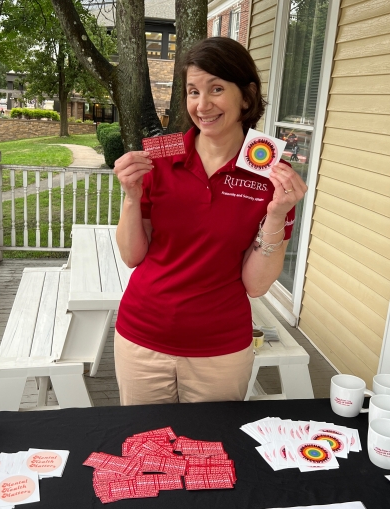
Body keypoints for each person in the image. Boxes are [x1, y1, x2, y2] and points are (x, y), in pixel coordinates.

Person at [113, 36, 307, 406]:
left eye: (216, 89)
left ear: (246, 96)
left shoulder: (270, 174)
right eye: (193, 91)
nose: (202, 105)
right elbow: (132, 255)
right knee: (146, 452)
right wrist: (132, 196)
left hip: (220, 349)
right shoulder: (161, 156)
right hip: (142, 338)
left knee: (213, 453)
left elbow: (256, 285)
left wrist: (277, 214)